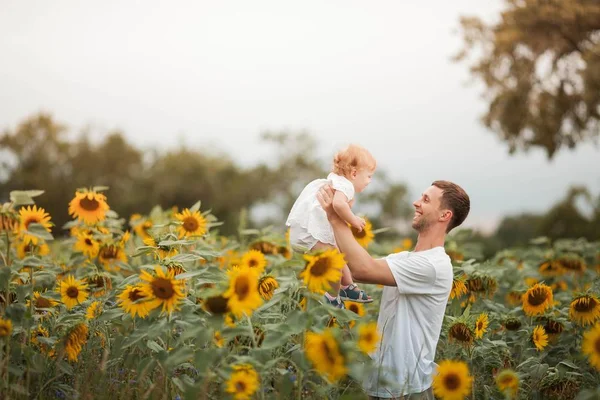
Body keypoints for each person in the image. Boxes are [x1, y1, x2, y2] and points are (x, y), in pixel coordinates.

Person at [316, 180, 470, 400]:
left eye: (426, 200)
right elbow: (348, 265)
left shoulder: (434, 265)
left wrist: (335, 216)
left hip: (407, 389)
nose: (416, 203)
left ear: (444, 215)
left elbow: (363, 269)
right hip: (384, 384)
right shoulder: (405, 259)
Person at [286, 144, 376, 308]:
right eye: (369, 176)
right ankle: (332, 298)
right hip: (312, 231)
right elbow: (338, 205)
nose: (370, 181)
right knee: (333, 264)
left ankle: (347, 286)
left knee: (339, 258)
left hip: (311, 228)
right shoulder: (346, 185)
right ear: (354, 173)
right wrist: (353, 220)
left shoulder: (337, 181)